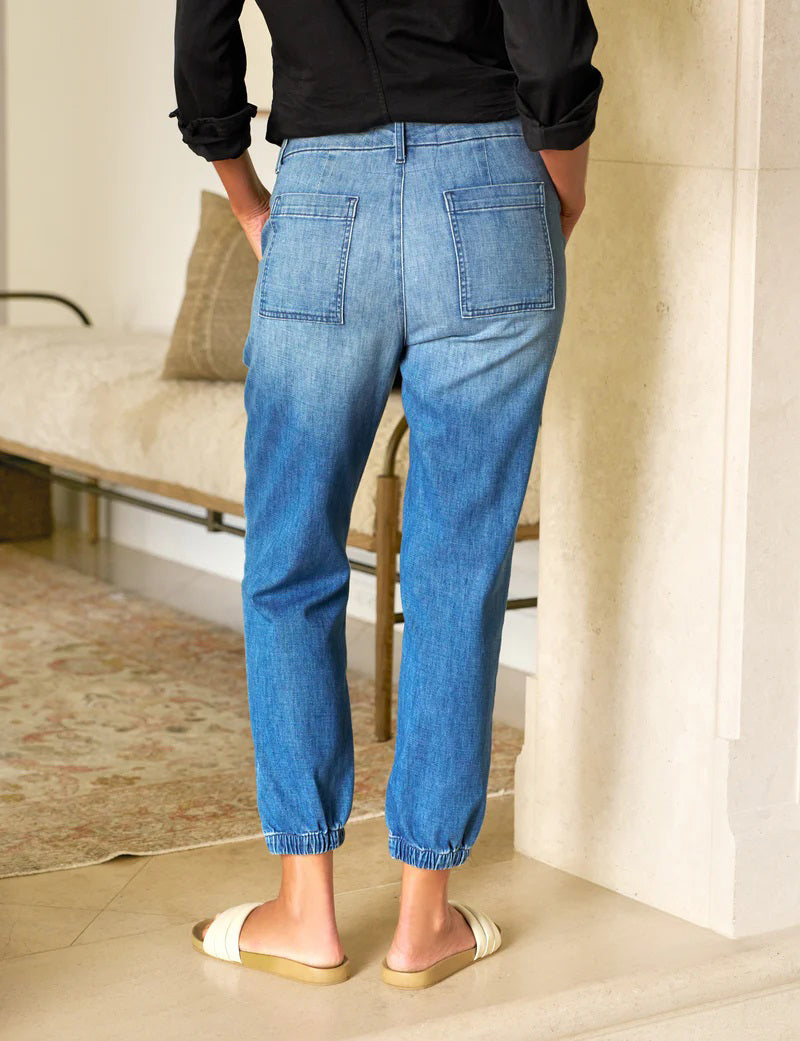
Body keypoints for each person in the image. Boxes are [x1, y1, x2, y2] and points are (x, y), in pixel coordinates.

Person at [171, 0, 602, 989]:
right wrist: (559, 185)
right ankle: (424, 923)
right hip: (494, 178)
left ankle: (304, 912)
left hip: (323, 195)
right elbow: (543, 31)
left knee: (288, 561)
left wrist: (242, 192)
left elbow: (202, 41)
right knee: (456, 568)